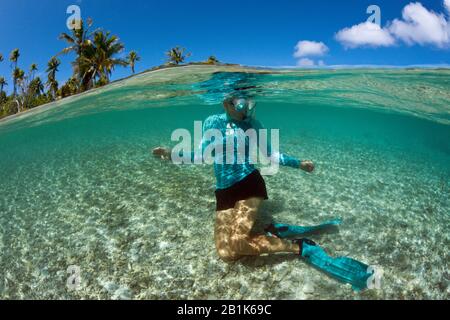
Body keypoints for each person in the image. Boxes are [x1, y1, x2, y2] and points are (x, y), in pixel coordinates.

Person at [153, 96, 373, 291]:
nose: (245, 109)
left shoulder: (252, 125)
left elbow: (271, 155)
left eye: (248, 104)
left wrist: (299, 164)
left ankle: (301, 246)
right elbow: (201, 156)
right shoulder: (213, 122)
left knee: (239, 243)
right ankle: (271, 231)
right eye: (240, 104)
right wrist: (172, 154)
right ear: (226, 103)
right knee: (226, 254)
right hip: (224, 191)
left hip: (250, 183)